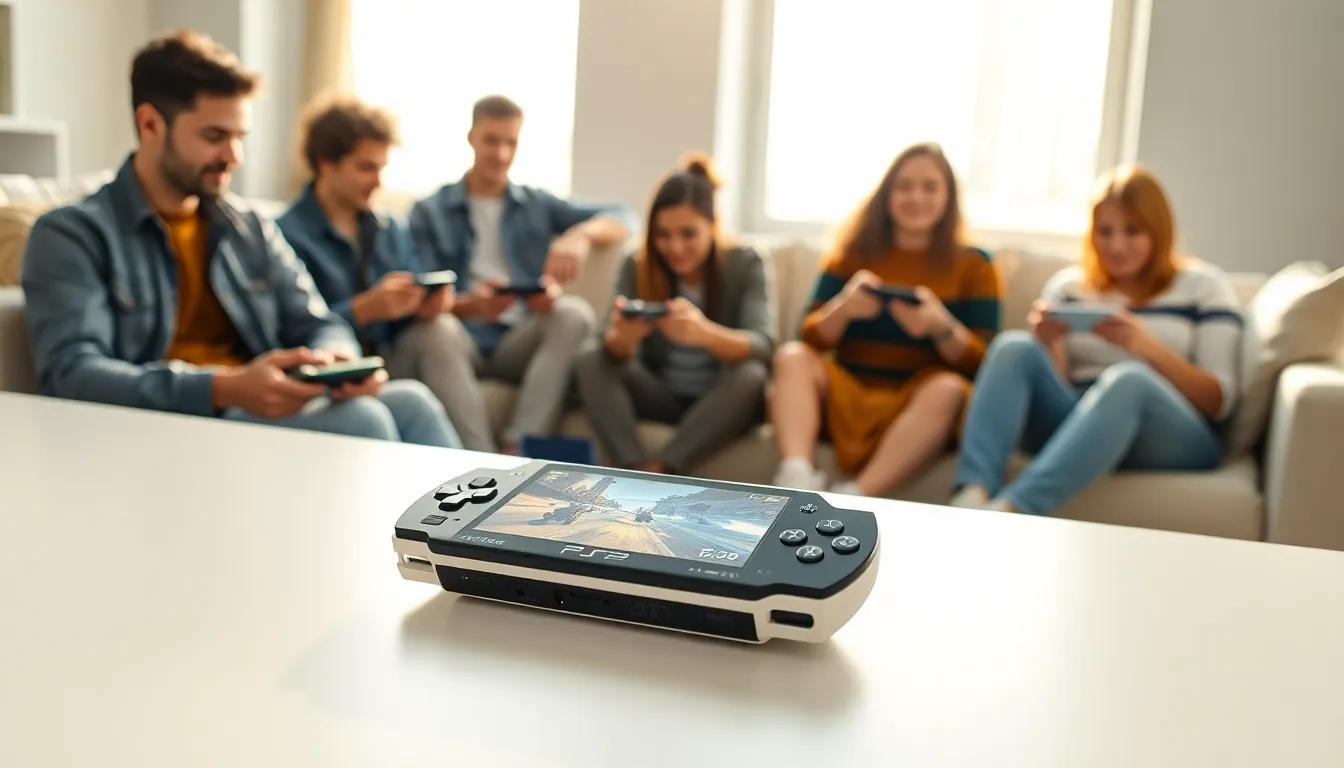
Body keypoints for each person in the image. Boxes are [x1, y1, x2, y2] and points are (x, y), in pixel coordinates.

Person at [20, 31, 459, 448]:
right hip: (170, 425)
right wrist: (223, 388)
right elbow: (73, 373)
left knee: (412, 402)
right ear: (150, 124)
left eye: (239, 137)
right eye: (215, 137)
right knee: (362, 420)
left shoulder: (248, 227)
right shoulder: (72, 234)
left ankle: (489, 529)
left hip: (257, 410)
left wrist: (336, 362)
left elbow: (321, 323)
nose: (234, 157)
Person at [950, 165, 1242, 515]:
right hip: (1082, 426)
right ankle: (972, 496)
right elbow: (1061, 392)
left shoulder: (1203, 287)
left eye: (1132, 231)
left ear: (1158, 232)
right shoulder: (1068, 288)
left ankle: (1013, 510)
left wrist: (1145, 347)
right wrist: (1051, 344)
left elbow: (1218, 401)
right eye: (1105, 232)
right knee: (1013, 347)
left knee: (1127, 379)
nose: (1116, 246)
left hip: (1173, 433)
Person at [769, 143, 1003, 496]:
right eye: (904, 186)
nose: (916, 197)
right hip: (848, 392)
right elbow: (809, 338)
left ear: (948, 197)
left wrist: (941, 327)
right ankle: (796, 475)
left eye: (929, 187)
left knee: (949, 388)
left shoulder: (976, 265)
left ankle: (858, 493)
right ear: (887, 194)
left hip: (917, 405)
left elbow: (987, 363)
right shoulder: (851, 253)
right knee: (790, 356)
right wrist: (843, 308)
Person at [407, 95, 632, 454]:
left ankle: (519, 448)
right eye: (491, 141)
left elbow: (623, 215)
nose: (501, 154)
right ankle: (477, 458)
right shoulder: (429, 211)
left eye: (510, 142)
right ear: (471, 138)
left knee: (573, 313)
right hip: (463, 335)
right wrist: (470, 306)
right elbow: (419, 299)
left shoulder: (536, 205)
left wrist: (579, 235)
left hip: (519, 339)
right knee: (436, 329)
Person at [277, 94, 467, 446]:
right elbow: (291, 330)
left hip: (387, 359)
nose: (377, 181)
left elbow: (413, 292)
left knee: (439, 328)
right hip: (331, 372)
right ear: (325, 163)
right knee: (397, 402)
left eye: (381, 168)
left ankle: (488, 471)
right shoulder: (283, 236)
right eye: (366, 167)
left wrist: (423, 306)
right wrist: (363, 310)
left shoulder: (389, 227)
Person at [573, 154, 774, 475]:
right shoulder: (636, 264)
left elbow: (763, 345)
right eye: (663, 235)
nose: (675, 247)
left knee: (750, 375)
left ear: (713, 225)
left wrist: (704, 334)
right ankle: (633, 467)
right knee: (590, 357)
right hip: (660, 395)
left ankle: (664, 468)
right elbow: (605, 346)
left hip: (719, 400)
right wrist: (621, 341)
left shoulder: (746, 262)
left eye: (688, 234)